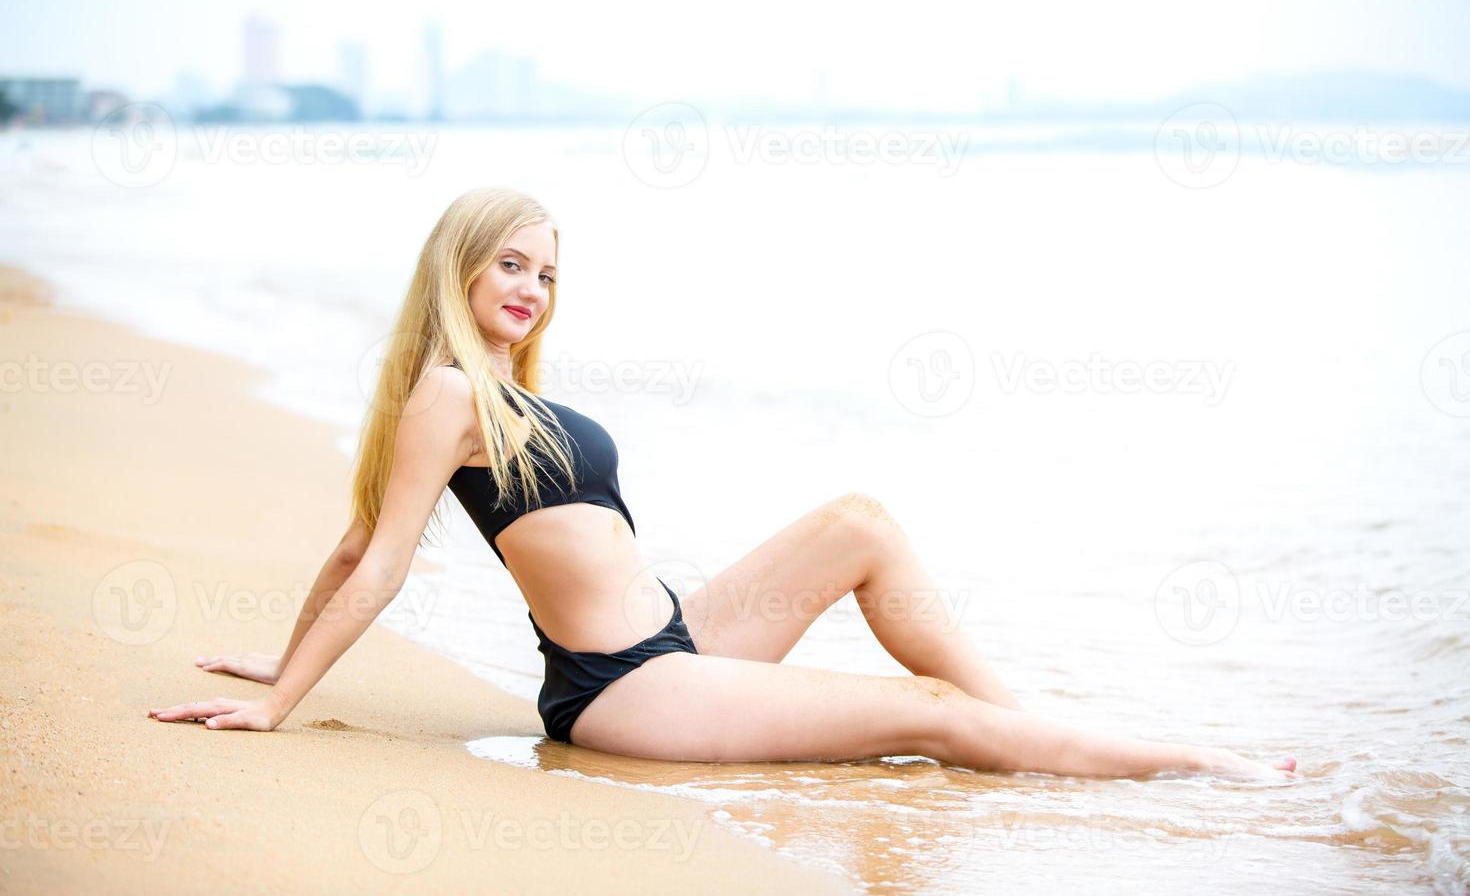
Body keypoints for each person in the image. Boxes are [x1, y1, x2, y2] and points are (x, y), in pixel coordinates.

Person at [150, 187, 1297, 782]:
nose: (532, 287)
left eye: (547, 272)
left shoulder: (502, 387)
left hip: (677, 644)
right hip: (617, 692)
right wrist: (280, 697)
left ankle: (1026, 721)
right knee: (929, 720)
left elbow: (350, 542)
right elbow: (384, 554)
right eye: (510, 262)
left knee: (862, 521)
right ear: (458, 263)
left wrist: (277, 647)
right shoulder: (448, 395)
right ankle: (1191, 765)